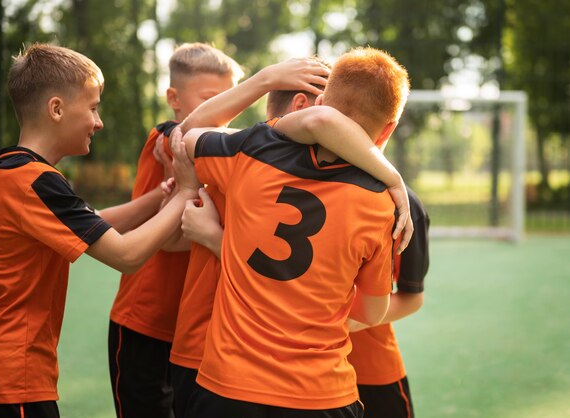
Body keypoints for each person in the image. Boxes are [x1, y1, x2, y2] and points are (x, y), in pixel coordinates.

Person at [0, 43, 199, 418]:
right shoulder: (36, 182)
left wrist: (155, 198)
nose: (98, 122)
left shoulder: (12, 172)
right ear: (56, 109)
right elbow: (127, 255)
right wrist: (185, 191)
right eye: (93, 107)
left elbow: (93, 222)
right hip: (10, 378)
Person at [173, 46, 411, 418]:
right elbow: (372, 309)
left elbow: (188, 134)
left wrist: (266, 80)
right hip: (323, 395)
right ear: (387, 132)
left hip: (229, 387)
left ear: (318, 102)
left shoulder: (252, 151)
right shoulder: (382, 205)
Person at [166, 56, 331, 418]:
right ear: (306, 106)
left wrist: (213, 238)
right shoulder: (249, 153)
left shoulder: (238, 154)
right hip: (256, 364)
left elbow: (188, 132)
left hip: (219, 357)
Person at [106, 42, 243, 418]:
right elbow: (173, 241)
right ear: (174, 98)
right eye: (212, 100)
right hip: (143, 322)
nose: (223, 113)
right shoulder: (168, 138)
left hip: (193, 331)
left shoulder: (223, 155)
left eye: (231, 101)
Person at [347, 187, 430, 418]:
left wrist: (348, 323)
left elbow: (412, 298)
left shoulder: (405, 206)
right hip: (296, 367)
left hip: (370, 367)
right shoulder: (282, 177)